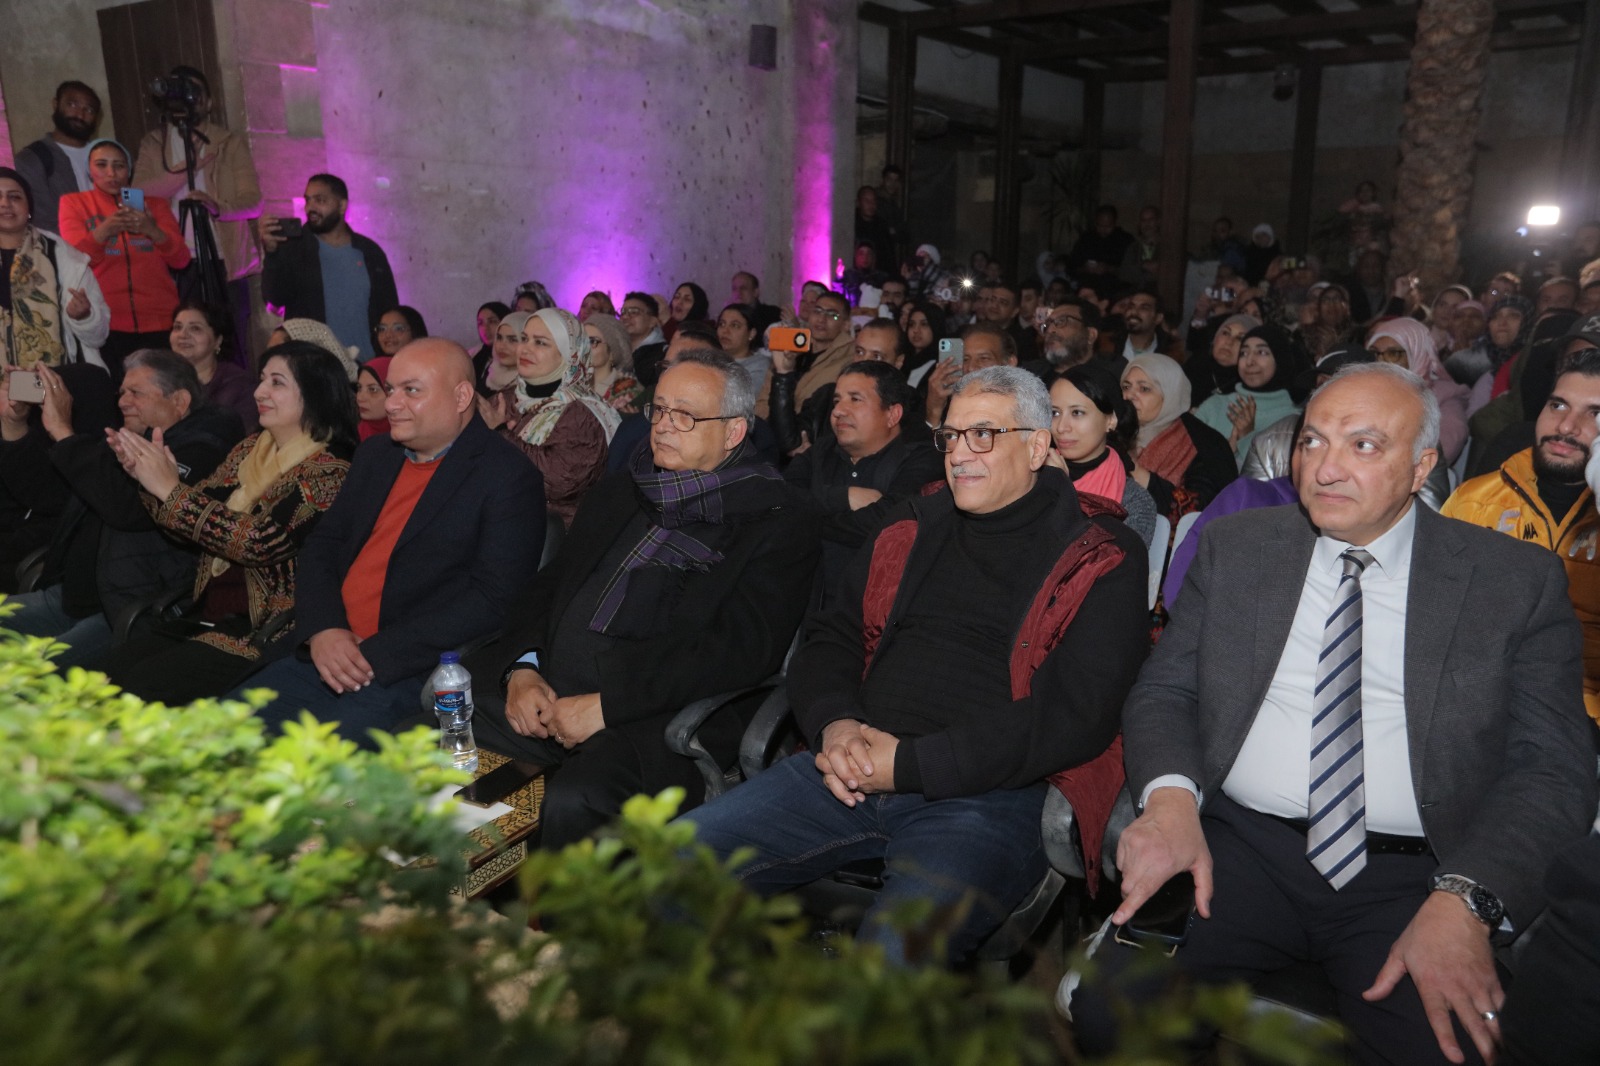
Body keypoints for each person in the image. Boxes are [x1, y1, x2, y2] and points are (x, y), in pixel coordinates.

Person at [1090, 361, 1597, 1066]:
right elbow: (1166, 692)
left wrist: (1467, 900)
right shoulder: (1241, 549)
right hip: (1239, 850)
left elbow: (1552, 768)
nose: (1324, 469)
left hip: (1420, 874)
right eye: (1312, 441)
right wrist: (1171, 803)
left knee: (1452, 1053)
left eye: (1363, 445)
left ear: (1422, 466)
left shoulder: (1511, 581)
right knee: (1111, 1013)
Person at [684, 366, 1150, 966]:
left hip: (987, 796)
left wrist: (907, 765)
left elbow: (1073, 716)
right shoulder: (911, 524)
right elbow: (831, 636)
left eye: (983, 434)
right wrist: (836, 725)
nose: (959, 453)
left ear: (1037, 447)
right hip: (849, 766)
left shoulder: (1101, 556)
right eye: (950, 436)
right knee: (668, 869)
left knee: (890, 962)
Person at [466, 350, 821, 847]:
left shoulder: (778, 519)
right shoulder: (622, 491)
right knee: (433, 736)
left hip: (656, 714)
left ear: (734, 432)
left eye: (687, 416)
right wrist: (522, 670)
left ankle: (552, 902)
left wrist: (608, 706)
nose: (665, 425)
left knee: (577, 798)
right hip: (548, 693)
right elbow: (548, 587)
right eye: (660, 410)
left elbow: (738, 651)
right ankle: (448, 884)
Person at [240, 339, 545, 745]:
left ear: (461, 397)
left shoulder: (506, 476)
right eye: (390, 389)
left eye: (411, 391)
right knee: (212, 742)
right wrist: (324, 629)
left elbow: (494, 598)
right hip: (323, 653)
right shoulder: (376, 455)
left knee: (306, 769)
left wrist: (374, 653)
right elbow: (324, 545)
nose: (391, 404)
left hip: (405, 670)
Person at [98, 341, 356, 704]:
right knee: (99, 680)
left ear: (315, 394)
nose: (259, 391)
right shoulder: (251, 449)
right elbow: (188, 525)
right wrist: (151, 481)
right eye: (262, 379)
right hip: (207, 613)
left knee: (137, 689)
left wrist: (170, 489)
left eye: (277, 383)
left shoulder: (331, 471)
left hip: (266, 631)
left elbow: (260, 543)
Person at [1, 350, 241, 669]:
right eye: (122, 392)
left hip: (126, 610)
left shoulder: (202, 451)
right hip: (71, 596)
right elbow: (49, 497)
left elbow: (128, 511)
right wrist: (14, 425)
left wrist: (62, 431)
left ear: (179, 401)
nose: (123, 401)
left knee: (28, 676)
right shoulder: (130, 440)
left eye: (136, 393)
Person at [1442, 344, 1600, 725]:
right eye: (1558, 405)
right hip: (1486, 710)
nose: (1566, 426)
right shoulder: (1474, 501)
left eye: (1595, 413)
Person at [132, 65, 262, 359]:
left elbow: (254, 202)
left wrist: (217, 207)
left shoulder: (228, 143)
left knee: (229, 345)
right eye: (179, 90)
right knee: (182, 347)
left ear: (209, 101)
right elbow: (137, 195)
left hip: (224, 259)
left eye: (194, 92)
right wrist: (187, 168)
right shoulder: (154, 143)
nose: (188, 98)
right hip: (175, 259)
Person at [783, 360, 944, 593]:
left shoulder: (922, 458)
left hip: (880, 602)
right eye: (837, 401)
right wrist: (843, 497)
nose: (838, 411)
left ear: (892, 414)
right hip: (808, 597)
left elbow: (889, 524)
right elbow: (780, 500)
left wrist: (808, 520)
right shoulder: (820, 452)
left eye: (855, 399)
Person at [58, 140, 190, 378]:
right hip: (107, 323)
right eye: (102, 165)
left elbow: (181, 260)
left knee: (163, 389)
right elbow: (74, 261)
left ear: (129, 170)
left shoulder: (155, 205)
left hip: (160, 320)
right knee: (116, 392)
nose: (111, 173)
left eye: (119, 165)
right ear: (89, 170)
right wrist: (104, 230)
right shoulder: (75, 204)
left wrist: (152, 230)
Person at [480, 307, 617, 526]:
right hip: (497, 513)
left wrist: (500, 434)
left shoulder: (583, 414)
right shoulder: (507, 396)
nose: (525, 349)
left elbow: (558, 482)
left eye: (540, 343)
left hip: (549, 530)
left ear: (568, 354)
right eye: (524, 339)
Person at [259, 173, 398, 362]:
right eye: (307, 200)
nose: (310, 207)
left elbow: (390, 310)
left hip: (366, 365)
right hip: (316, 367)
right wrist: (272, 253)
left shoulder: (369, 252)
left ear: (342, 206)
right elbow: (274, 297)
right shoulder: (295, 250)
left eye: (320, 200)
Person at [0, 167, 110, 371]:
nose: (5, 203)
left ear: (29, 208)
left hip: (57, 381)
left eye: (14, 197)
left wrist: (83, 317)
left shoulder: (64, 257)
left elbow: (98, 337)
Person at [1120, 353, 1238, 523]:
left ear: (1170, 394)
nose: (1129, 396)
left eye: (1144, 389)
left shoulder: (1205, 443)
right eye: (1126, 387)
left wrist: (1138, 473)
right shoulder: (1112, 430)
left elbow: (1201, 511)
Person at [1048, 364, 1157, 546]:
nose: (1061, 427)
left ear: (1111, 420)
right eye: (1055, 413)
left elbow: (1116, 562)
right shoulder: (1030, 474)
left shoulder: (1133, 501)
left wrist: (1064, 495)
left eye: (1077, 413)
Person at [1193, 324, 1309, 466]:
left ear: (1280, 359)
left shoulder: (1293, 420)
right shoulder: (1215, 405)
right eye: (1244, 353)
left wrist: (1247, 437)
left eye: (1262, 352)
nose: (1249, 361)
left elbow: (1280, 473)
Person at [1366, 317, 1470, 465]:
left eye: (1393, 353)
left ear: (1417, 353)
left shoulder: (1446, 397)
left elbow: (1445, 447)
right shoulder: (1362, 391)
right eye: (1374, 353)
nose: (1381, 361)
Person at [14, 81, 102, 236]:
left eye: (89, 110)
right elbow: (43, 223)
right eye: (72, 105)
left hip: (112, 248)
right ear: (56, 104)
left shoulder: (106, 156)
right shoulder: (32, 159)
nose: (80, 115)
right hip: (64, 249)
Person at [169, 300, 257, 431]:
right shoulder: (161, 380)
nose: (183, 335)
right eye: (177, 327)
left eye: (195, 328)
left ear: (218, 340)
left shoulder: (240, 385)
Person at [1183, 312, 1261, 404]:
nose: (1229, 342)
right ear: (1215, 338)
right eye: (1225, 333)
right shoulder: (1194, 366)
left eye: (1240, 338)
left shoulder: (1250, 387)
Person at [1027, 295, 1103, 380]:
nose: (1049, 330)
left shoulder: (1107, 379)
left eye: (1061, 321)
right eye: (1048, 324)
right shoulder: (1029, 375)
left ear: (1091, 335)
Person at [582, 312, 642, 411]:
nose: (583, 347)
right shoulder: (572, 383)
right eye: (581, 340)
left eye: (592, 341)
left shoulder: (629, 391)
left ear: (612, 353)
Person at [1067, 205, 1134, 280]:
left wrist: (1109, 269)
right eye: (1100, 226)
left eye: (1108, 226)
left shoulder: (1125, 240)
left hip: (1114, 284)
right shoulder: (1086, 239)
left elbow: (1132, 271)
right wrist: (1085, 269)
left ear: (1115, 223)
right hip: (1087, 283)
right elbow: (1071, 266)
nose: (1103, 229)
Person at [482, 310, 528, 396]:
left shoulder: (531, 386)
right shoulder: (492, 370)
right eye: (499, 338)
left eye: (512, 340)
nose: (502, 346)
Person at [471, 300, 510, 385]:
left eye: (492, 321)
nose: (485, 328)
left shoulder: (513, 358)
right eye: (480, 323)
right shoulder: (474, 354)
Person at [354, 356, 392, 442]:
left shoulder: (414, 439)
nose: (360, 398)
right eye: (359, 388)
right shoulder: (353, 438)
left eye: (373, 390)